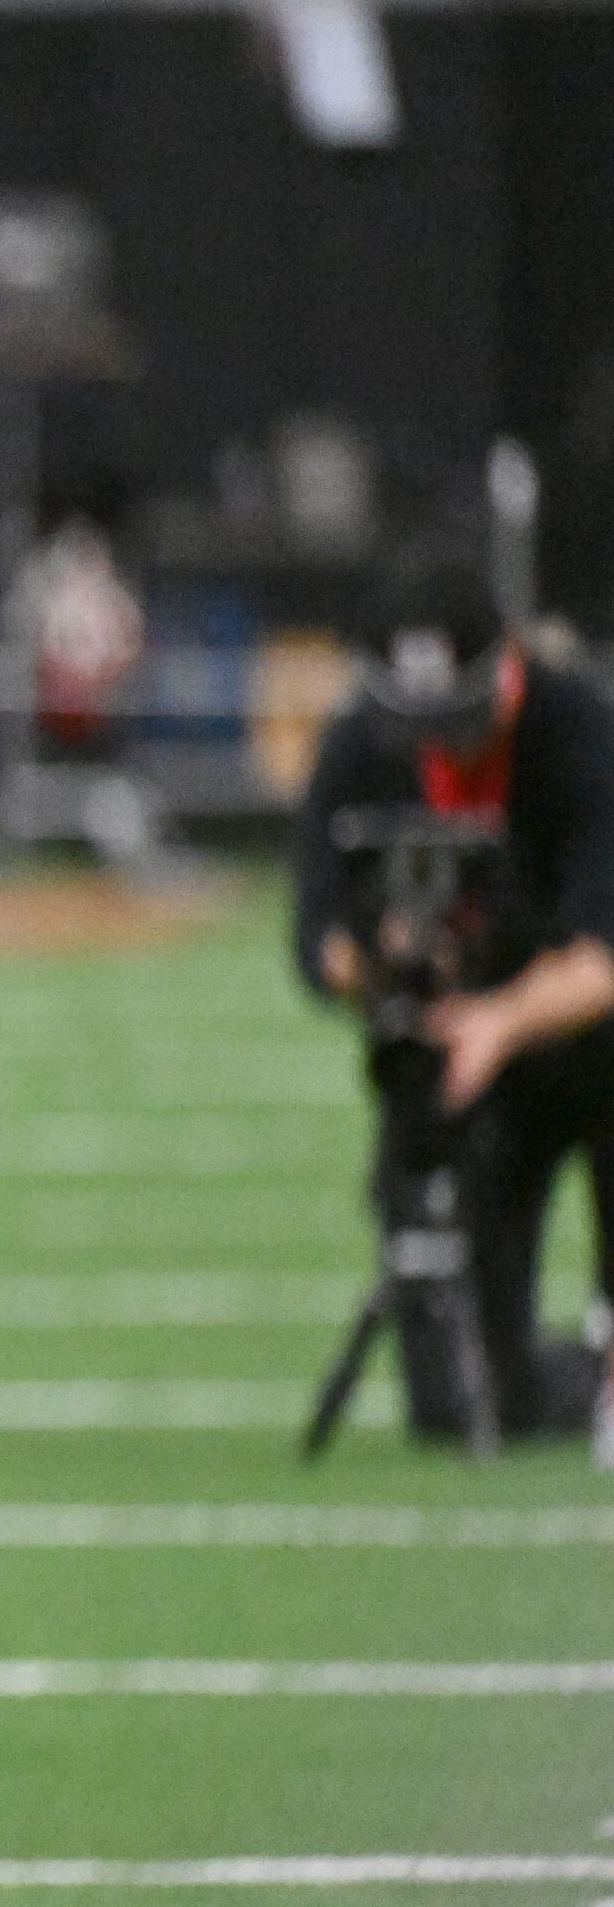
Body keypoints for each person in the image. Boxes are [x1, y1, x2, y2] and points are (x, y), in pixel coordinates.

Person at [295, 551, 614, 1442]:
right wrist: (383, 964)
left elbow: (608, 950)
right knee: (464, 1403)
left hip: (581, 1044)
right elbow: (314, 937)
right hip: (457, 1064)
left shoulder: (579, 730)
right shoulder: (361, 745)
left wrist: (504, 1019)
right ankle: (549, 1377)